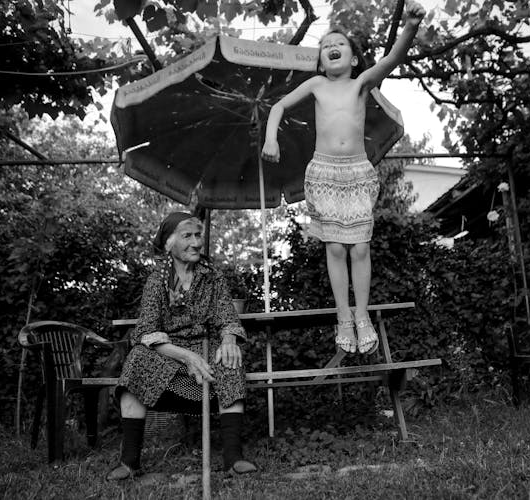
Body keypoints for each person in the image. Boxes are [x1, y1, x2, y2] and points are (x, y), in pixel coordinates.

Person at [261, 1, 425, 355]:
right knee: (335, 247)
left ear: (352, 59)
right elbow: (277, 107)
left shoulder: (362, 84)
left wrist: (409, 27)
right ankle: (343, 317)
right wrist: (271, 137)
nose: (331, 46)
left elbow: (392, 59)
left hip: (357, 172)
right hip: (324, 172)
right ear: (321, 61)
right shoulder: (317, 83)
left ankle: (362, 315)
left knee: (361, 247)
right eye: (325, 45)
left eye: (339, 43)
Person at [107, 212, 257, 480]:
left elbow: (226, 316)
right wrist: (186, 356)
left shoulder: (212, 276)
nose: (196, 242)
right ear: (168, 244)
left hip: (204, 344)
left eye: (198, 235)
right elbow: (147, 330)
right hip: (167, 351)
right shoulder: (157, 279)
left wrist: (229, 339)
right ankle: (129, 462)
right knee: (136, 361)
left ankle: (233, 459)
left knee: (229, 360)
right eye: (187, 236)